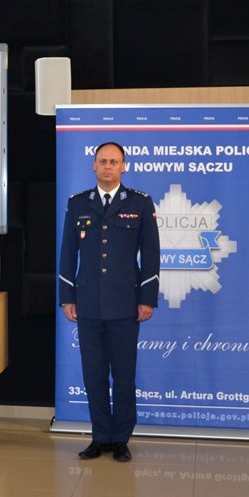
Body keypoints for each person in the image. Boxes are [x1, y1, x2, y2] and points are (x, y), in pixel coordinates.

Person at [59, 141, 160, 463]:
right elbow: (67, 253)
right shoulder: (78, 203)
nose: (107, 166)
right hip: (88, 303)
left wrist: (147, 298)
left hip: (125, 304)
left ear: (123, 166)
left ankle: (121, 439)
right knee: (94, 375)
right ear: (94, 165)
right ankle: (100, 436)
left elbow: (151, 255)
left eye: (114, 162)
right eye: (102, 161)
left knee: (124, 375)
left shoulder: (140, 203)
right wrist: (67, 296)